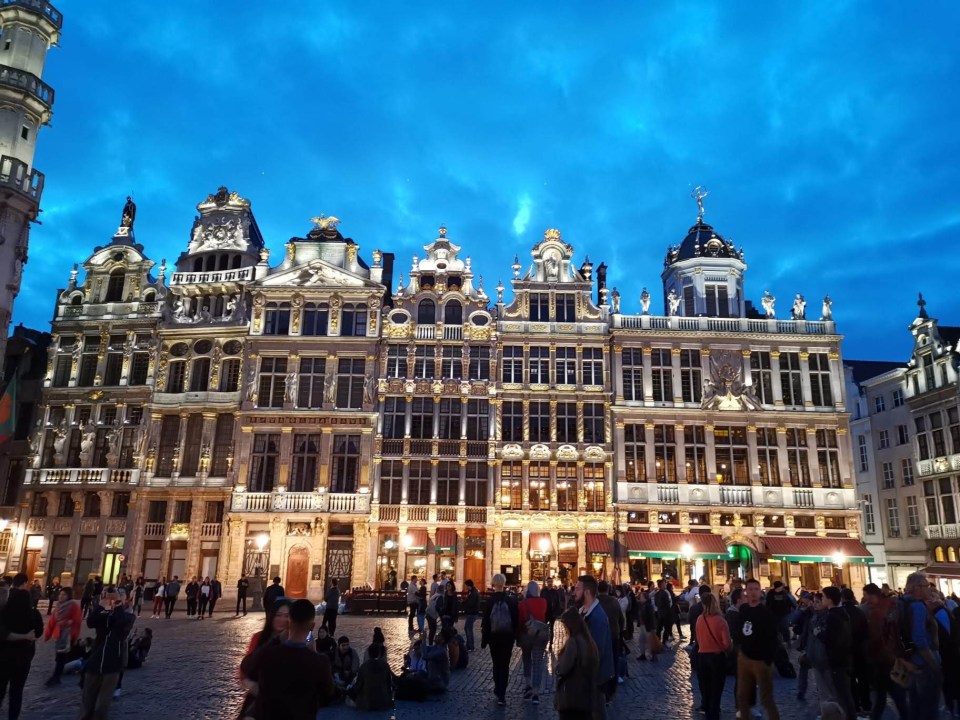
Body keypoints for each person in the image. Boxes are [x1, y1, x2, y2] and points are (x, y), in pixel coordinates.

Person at [240, 598, 335, 720]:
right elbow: (328, 694)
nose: (282, 620)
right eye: (278, 615)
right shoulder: (320, 661)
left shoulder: (268, 653)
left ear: (290, 621)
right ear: (312, 626)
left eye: (286, 616)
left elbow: (246, 665)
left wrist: (275, 640)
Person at [79, 586, 135, 720]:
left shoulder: (128, 615)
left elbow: (120, 624)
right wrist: (101, 605)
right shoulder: (104, 612)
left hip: (112, 664)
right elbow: (91, 622)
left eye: (120, 594)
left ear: (125, 598)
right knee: (86, 705)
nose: (114, 597)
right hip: (95, 661)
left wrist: (118, 605)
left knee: (101, 708)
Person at [733, 578, 780, 720]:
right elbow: (740, 630)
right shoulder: (744, 609)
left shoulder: (766, 613)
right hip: (744, 658)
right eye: (750, 589)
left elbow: (773, 638)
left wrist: (768, 660)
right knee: (742, 696)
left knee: (766, 699)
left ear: (760, 592)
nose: (753, 592)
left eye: (756, 589)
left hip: (760, 660)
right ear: (746, 592)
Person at [861, 583, 909, 720]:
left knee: (890, 698)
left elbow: (877, 636)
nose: (865, 599)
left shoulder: (876, 611)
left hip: (886, 659)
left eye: (866, 596)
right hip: (888, 658)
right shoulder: (892, 605)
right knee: (890, 699)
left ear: (872, 595)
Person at [0, 573, 43, 719]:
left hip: (4, 657)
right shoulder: (33, 613)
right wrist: (27, 636)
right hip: (23, 658)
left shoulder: (5, 611)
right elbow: (39, 632)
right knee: (16, 692)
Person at [903, 572, 942, 720]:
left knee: (915, 706)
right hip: (924, 663)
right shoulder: (918, 607)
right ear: (917, 588)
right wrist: (934, 664)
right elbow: (919, 637)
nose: (929, 589)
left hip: (910, 661)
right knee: (930, 708)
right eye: (926, 586)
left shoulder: (903, 602)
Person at [576, 575, 614, 720]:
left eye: (577, 589)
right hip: (586, 675)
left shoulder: (597, 617)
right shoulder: (583, 612)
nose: (575, 592)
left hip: (595, 676)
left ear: (587, 592)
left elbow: (596, 651)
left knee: (597, 712)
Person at [481, 573, 519, 706]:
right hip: (507, 637)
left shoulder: (490, 601)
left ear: (493, 584)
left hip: (494, 637)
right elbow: (515, 619)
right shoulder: (510, 600)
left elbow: (485, 621)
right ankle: (502, 693)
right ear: (504, 584)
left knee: (496, 663)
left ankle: (498, 688)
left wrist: (484, 640)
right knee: (505, 664)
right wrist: (516, 636)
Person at [555, 607, 599, 720]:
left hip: (572, 696)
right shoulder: (589, 641)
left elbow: (563, 668)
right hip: (586, 696)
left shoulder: (573, 642)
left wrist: (558, 666)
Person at [820, 586, 856, 720]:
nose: (822, 599)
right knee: (845, 693)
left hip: (837, 660)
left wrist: (820, 634)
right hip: (845, 658)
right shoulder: (843, 613)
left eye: (823, 597)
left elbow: (831, 639)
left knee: (843, 694)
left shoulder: (832, 616)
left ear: (829, 600)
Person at [696, 591, 732, 720]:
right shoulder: (721, 621)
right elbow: (727, 643)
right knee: (716, 686)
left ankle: (706, 708)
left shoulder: (700, 619)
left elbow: (698, 639)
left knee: (705, 685)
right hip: (716, 657)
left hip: (702, 656)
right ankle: (714, 711)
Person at [840, 587, 870, 714]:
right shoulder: (859, 612)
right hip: (861, 649)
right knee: (863, 679)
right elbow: (866, 631)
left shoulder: (841, 612)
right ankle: (867, 704)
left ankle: (855, 706)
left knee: (851, 680)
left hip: (847, 650)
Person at [518, 580, 549, 704]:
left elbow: (520, 621)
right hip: (539, 636)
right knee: (538, 662)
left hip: (526, 635)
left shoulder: (522, 603)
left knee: (526, 660)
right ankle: (536, 693)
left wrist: (518, 636)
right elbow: (544, 617)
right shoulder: (543, 602)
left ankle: (528, 686)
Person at [43, 587, 81, 686]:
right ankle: (58, 675)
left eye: (64, 594)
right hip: (59, 634)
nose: (61, 596)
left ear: (68, 596)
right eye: (60, 594)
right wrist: (47, 634)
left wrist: (69, 622)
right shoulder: (58, 606)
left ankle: (56, 676)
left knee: (61, 657)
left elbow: (77, 619)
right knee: (58, 657)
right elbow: (52, 620)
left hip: (67, 635)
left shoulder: (73, 605)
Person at [596, 580, 625, 697]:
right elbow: (621, 620)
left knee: (600, 661)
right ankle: (612, 689)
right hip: (614, 635)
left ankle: (600, 687)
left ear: (598, 590)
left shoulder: (595, 602)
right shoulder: (614, 602)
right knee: (613, 661)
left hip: (599, 636)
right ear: (608, 590)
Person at [350, 641, 394, 710]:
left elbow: (358, 686)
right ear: (379, 653)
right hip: (383, 702)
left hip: (368, 703)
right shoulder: (385, 665)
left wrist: (351, 691)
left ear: (369, 653)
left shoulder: (364, 666)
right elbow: (389, 684)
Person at [765, 580, 796, 647]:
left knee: (785, 628)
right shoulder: (771, 593)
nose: (782, 588)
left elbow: (789, 602)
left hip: (783, 614)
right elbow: (768, 604)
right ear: (777, 587)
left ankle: (787, 641)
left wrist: (792, 607)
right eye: (781, 586)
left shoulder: (784, 593)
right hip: (774, 615)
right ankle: (778, 642)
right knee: (776, 629)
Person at [463, 578, 481, 651]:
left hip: (472, 613)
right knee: (467, 628)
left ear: (469, 585)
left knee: (468, 629)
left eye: (466, 586)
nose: (466, 587)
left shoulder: (473, 593)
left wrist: (465, 603)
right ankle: (469, 645)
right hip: (472, 612)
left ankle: (470, 646)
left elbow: (471, 603)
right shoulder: (472, 591)